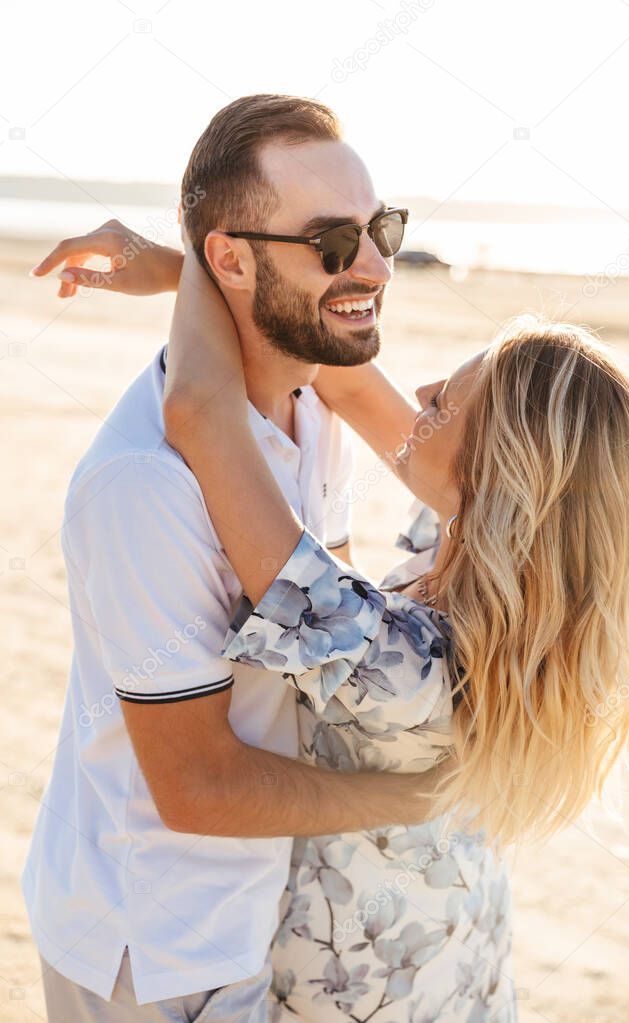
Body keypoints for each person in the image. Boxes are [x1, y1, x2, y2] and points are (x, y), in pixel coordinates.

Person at [156, 221, 629, 1022]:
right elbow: (347, 381)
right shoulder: (485, 574)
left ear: (499, 474)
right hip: (465, 954)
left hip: (364, 992)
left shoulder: (406, 665)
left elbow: (198, 410)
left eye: (448, 400)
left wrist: (209, 245)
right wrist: (205, 276)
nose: (422, 394)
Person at [23, 94, 452, 1023]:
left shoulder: (312, 398)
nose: (376, 264)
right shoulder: (146, 486)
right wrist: (416, 799)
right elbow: (198, 786)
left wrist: (177, 268)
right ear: (233, 258)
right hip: (152, 946)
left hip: (256, 907)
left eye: (380, 229)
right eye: (334, 242)